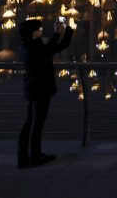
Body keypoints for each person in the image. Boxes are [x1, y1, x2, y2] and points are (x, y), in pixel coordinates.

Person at [17, 17, 74, 168]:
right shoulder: (36, 48)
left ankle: (23, 157)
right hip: (41, 88)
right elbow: (61, 45)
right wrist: (67, 28)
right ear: (34, 32)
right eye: (39, 29)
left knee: (29, 122)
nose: (42, 30)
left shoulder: (27, 46)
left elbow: (49, 48)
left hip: (31, 88)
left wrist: (57, 32)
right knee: (37, 124)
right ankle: (35, 157)